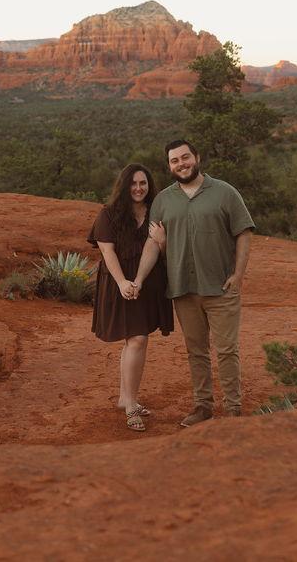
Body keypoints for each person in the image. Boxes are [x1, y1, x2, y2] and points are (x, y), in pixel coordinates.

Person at [134, 139, 254, 427]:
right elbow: (154, 243)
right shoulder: (163, 200)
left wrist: (238, 275)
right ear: (169, 166)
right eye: (174, 161)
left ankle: (233, 410)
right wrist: (140, 276)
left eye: (185, 157)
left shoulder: (225, 193)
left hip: (221, 288)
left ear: (196, 157)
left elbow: (244, 233)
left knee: (227, 350)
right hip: (183, 289)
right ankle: (203, 407)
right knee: (196, 350)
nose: (181, 164)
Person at [88, 163, 173, 432]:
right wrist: (123, 282)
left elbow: (158, 248)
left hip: (146, 282)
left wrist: (139, 278)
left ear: (150, 187)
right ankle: (132, 404)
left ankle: (125, 397)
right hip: (118, 282)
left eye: (143, 184)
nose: (138, 188)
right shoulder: (109, 214)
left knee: (134, 340)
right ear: (124, 186)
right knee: (137, 338)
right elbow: (107, 252)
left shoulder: (156, 213)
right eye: (133, 184)